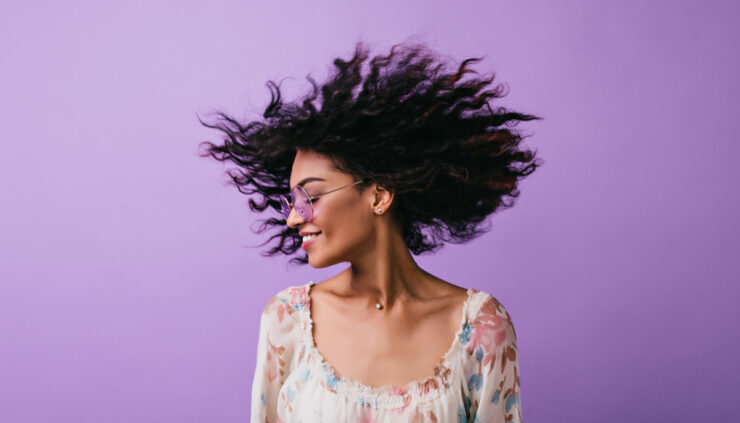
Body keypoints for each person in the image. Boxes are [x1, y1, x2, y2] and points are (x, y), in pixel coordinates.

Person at [199, 41, 541, 422]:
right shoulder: (287, 321)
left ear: (378, 195)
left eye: (309, 196)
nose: (293, 218)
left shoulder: (480, 328)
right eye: (291, 202)